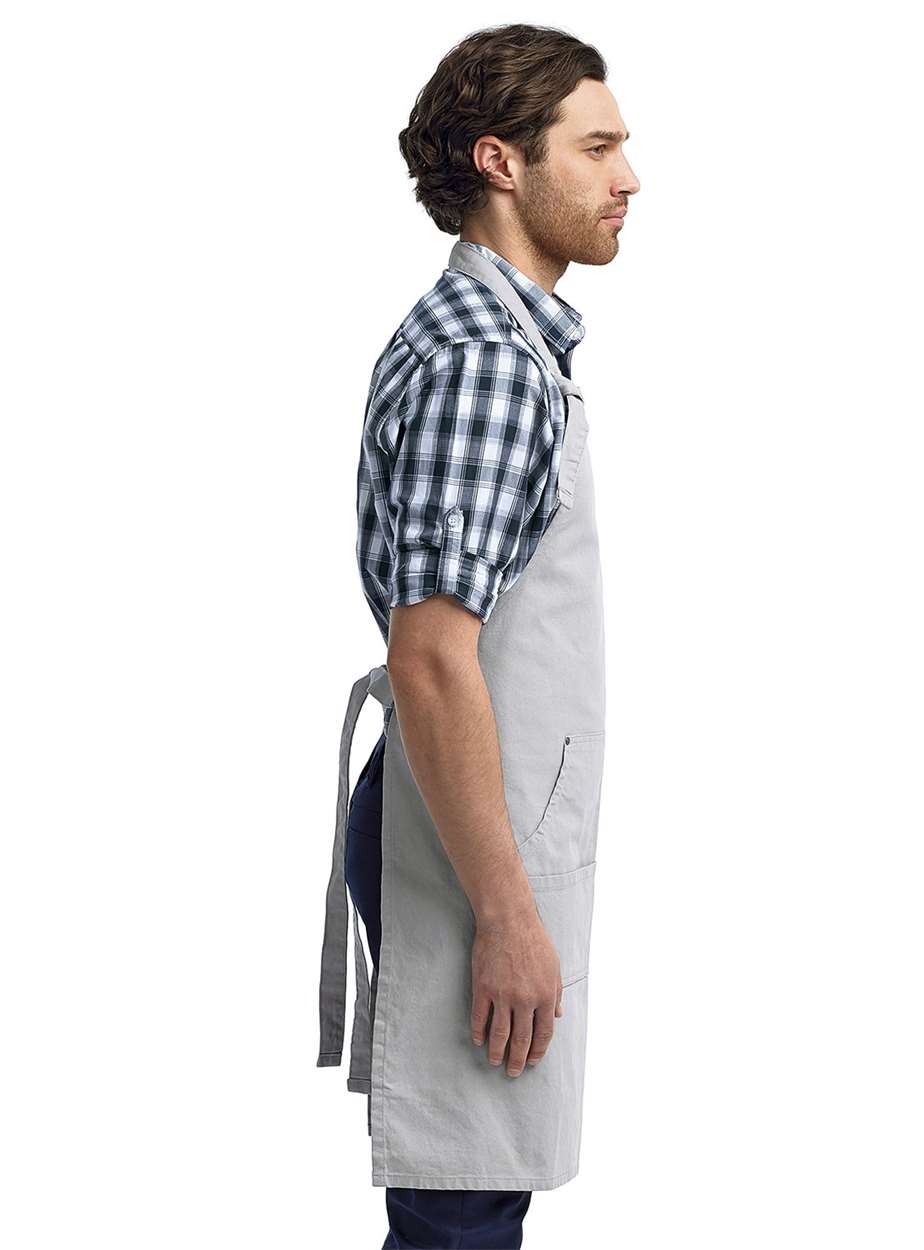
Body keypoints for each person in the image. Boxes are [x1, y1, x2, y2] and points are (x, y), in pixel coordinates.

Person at [318, 22, 639, 1249]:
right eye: (596, 147)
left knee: (471, 1193)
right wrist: (505, 911)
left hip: (467, 820)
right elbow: (431, 654)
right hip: (463, 844)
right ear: (502, 162)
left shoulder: (492, 341)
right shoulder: (489, 364)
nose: (628, 177)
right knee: (461, 1205)